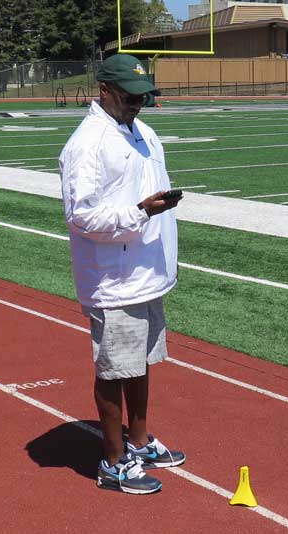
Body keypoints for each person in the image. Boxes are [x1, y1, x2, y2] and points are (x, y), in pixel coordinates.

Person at [59, 53, 184, 495]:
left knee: (140, 363)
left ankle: (139, 438)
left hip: (147, 271)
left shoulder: (140, 129)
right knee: (114, 370)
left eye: (144, 97)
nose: (139, 104)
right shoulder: (87, 144)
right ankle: (112, 461)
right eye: (131, 97)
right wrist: (139, 211)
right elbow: (82, 216)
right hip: (114, 278)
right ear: (104, 92)